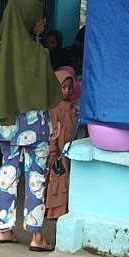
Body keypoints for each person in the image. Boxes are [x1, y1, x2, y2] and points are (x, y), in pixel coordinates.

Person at [0, 0, 62, 251]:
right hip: (35, 126)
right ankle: (36, 236)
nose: (42, 23)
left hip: (7, 122)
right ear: (27, 19)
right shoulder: (40, 54)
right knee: (36, 176)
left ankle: (4, 230)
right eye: (39, 19)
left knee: (7, 172)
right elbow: (53, 92)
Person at [45, 69, 78, 220]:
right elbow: (53, 132)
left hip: (67, 151)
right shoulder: (54, 108)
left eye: (70, 87)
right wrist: (53, 152)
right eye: (63, 87)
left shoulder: (71, 107)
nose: (67, 91)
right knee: (57, 181)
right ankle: (54, 211)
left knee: (64, 180)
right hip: (58, 153)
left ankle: (60, 210)